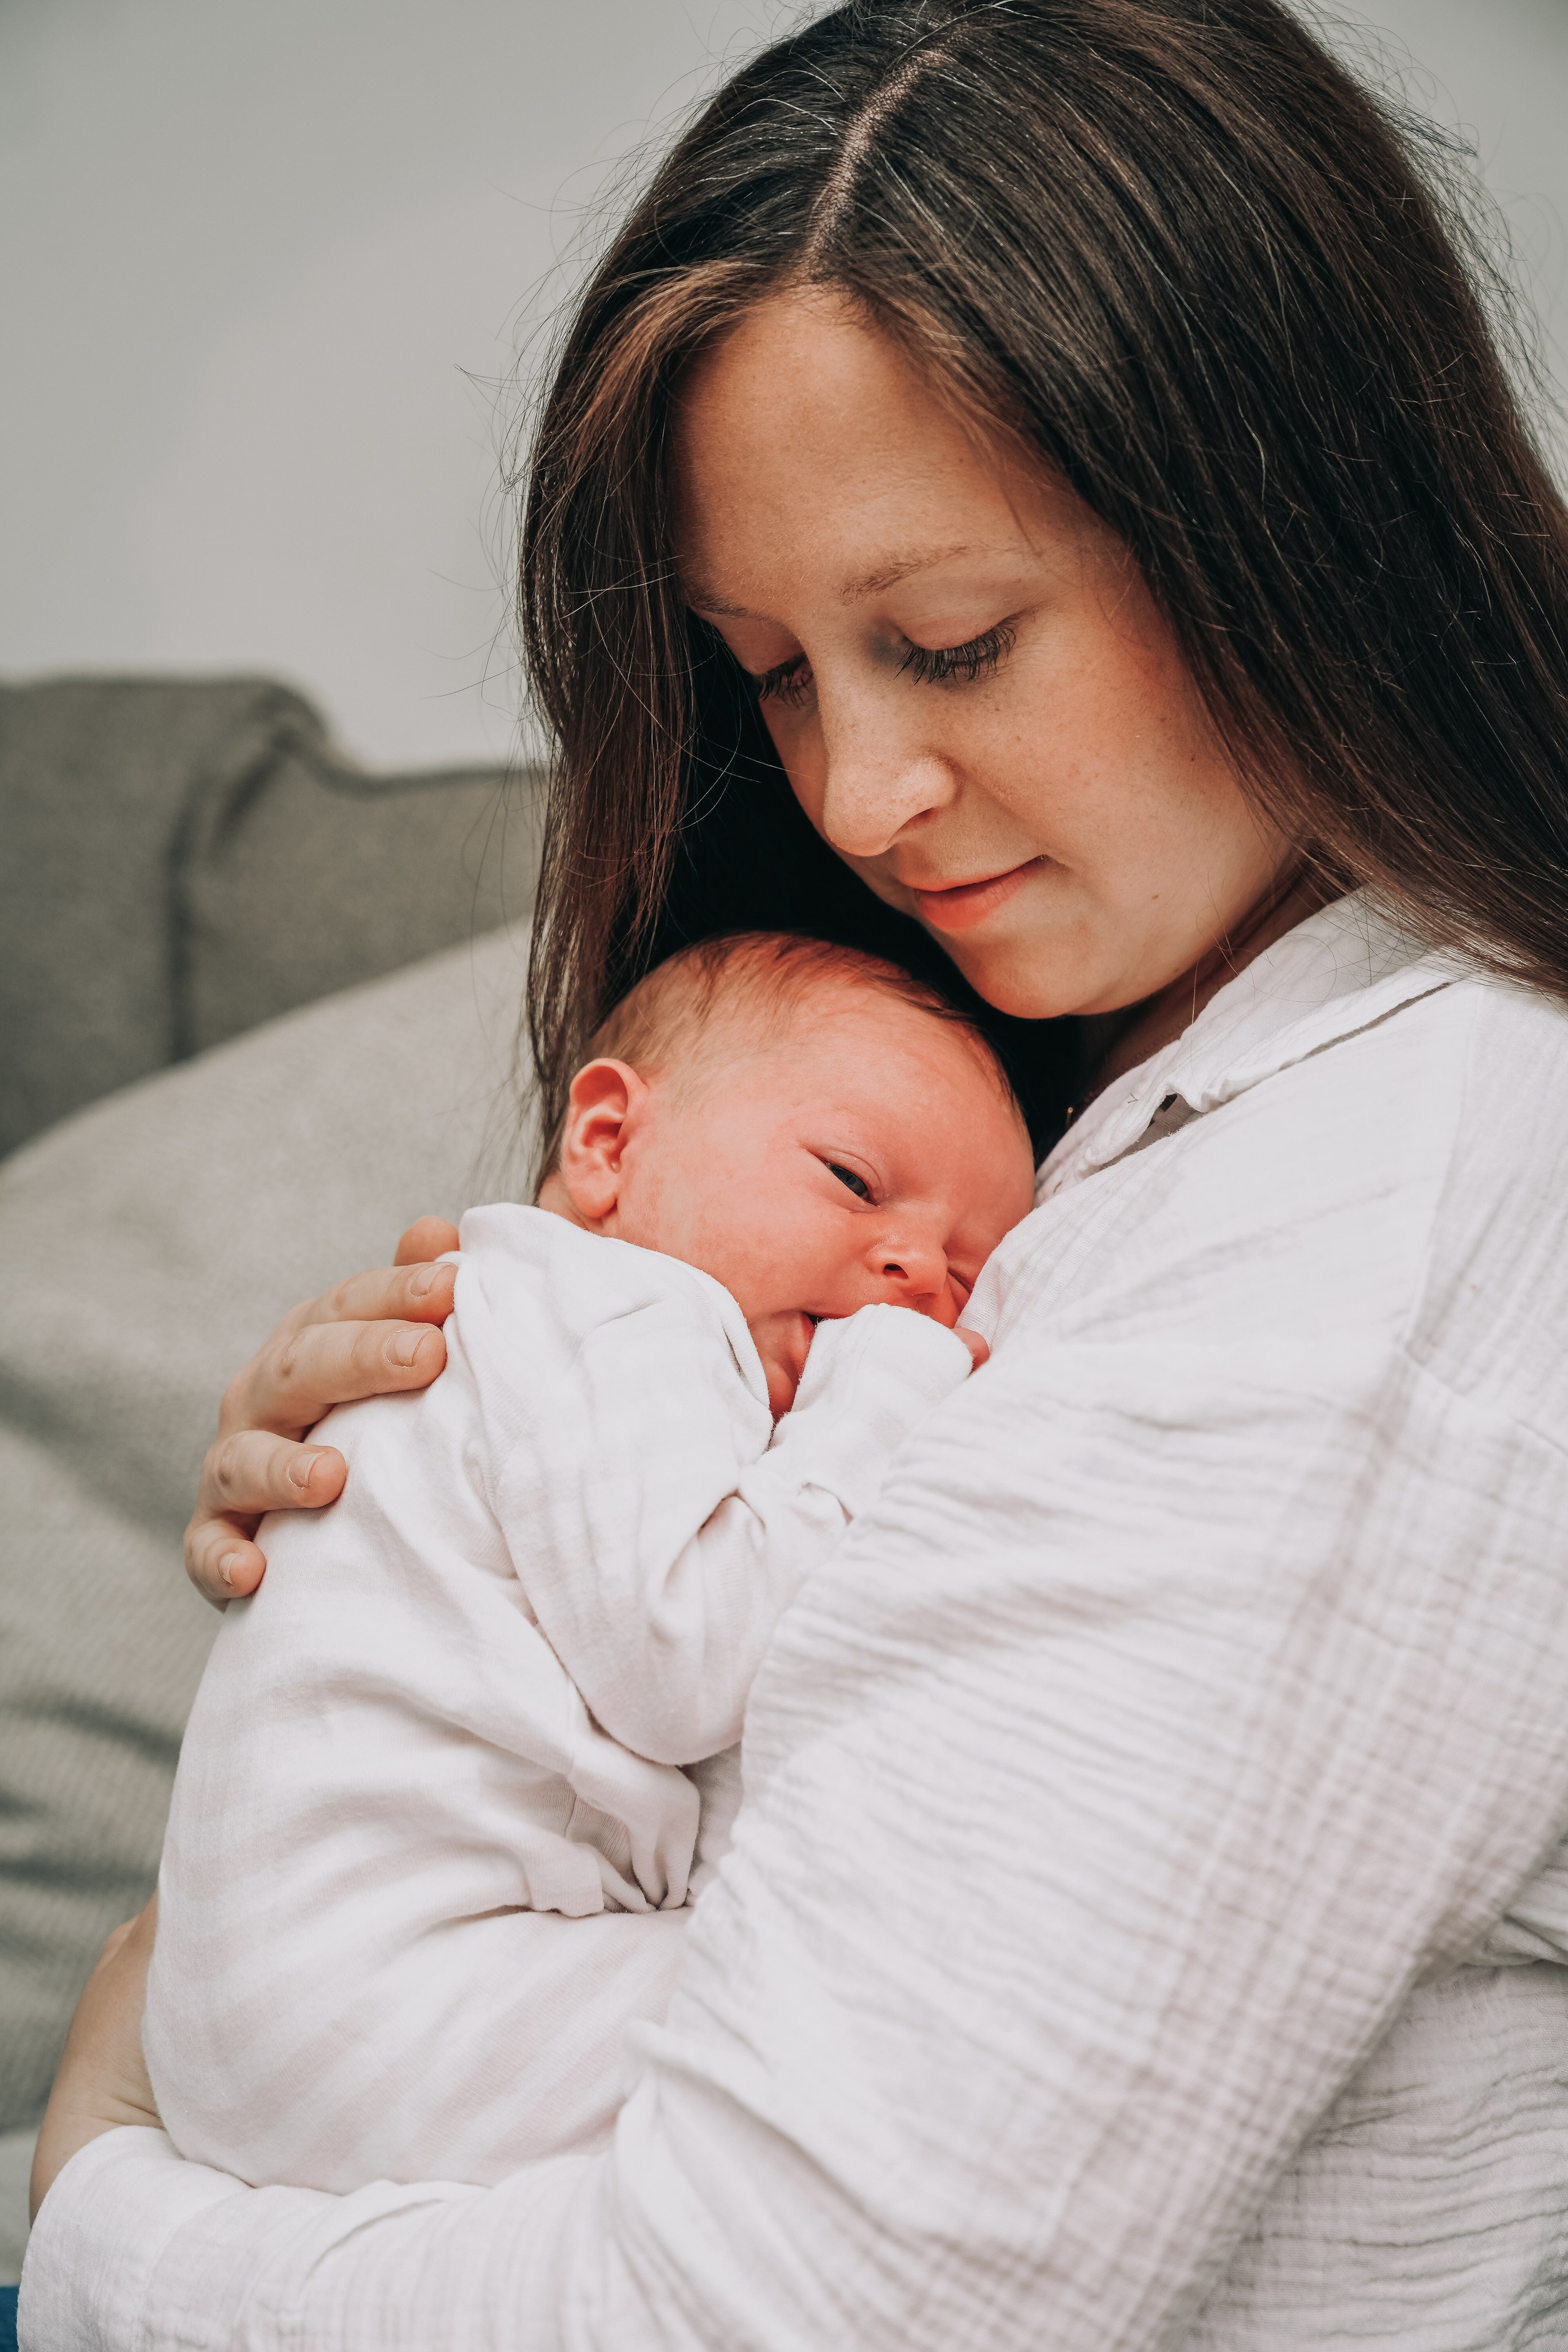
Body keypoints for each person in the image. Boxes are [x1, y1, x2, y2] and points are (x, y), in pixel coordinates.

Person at [23, 0, 1568, 2343]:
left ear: (1303, 530)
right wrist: (427, 1564)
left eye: (951, 643)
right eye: (771, 671)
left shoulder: (1365, 1251)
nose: (857, 801)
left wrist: (108, 2197)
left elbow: (777, 2319)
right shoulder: (1086, 1055)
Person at [142, 932, 1033, 2195]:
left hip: (272, 2020)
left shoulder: (533, 1321)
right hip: (400, 2005)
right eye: (850, 1179)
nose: (917, 1278)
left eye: (965, 1272)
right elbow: (683, 1665)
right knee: (887, 1999)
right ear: (607, 1141)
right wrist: (887, 1397)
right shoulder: (630, 1314)